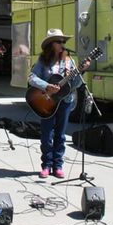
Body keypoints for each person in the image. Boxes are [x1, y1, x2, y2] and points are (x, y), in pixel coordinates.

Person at [28, 29, 90, 179]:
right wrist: (46, 86)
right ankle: (46, 166)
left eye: (64, 42)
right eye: (59, 42)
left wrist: (81, 71)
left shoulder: (69, 61)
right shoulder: (43, 62)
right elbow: (31, 77)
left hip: (65, 101)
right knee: (47, 134)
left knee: (61, 135)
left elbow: (73, 85)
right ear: (51, 44)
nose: (63, 44)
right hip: (46, 101)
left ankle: (58, 165)